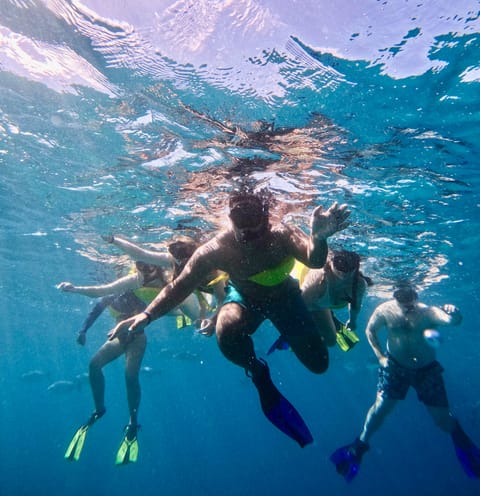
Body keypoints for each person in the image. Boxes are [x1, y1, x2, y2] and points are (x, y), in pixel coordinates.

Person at [109, 188, 350, 447]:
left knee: (319, 365)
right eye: (242, 232)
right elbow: (180, 285)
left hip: (286, 297)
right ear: (230, 222)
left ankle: (302, 323)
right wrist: (147, 314)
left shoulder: (282, 234)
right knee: (226, 330)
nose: (250, 238)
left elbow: (314, 260)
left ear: (266, 218)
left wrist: (319, 237)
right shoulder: (218, 248)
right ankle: (257, 372)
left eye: (256, 231)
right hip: (246, 297)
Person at [57, 241, 202, 464]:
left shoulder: (162, 281)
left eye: (149, 266)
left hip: (137, 335)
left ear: (156, 265)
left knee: (130, 376)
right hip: (121, 335)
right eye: (140, 267)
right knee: (94, 365)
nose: (145, 271)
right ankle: (99, 410)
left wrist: (197, 317)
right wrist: (77, 297)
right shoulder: (131, 283)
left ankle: (133, 422)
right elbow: (99, 298)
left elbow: (168, 304)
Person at [330, 286, 480, 481]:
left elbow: (452, 321)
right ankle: (360, 445)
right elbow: (370, 330)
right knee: (381, 408)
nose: (408, 304)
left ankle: (463, 443)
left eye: (411, 299)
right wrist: (380, 357)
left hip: (427, 371)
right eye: (403, 300)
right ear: (395, 297)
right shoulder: (385, 310)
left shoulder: (428, 312)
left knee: (442, 420)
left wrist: (455, 314)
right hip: (395, 366)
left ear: (416, 296)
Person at [269, 249, 372, 354]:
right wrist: (288, 333)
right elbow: (298, 310)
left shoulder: (359, 284)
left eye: (351, 262)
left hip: (319, 304)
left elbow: (355, 305)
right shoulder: (317, 283)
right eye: (340, 261)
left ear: (357, 264)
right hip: (304, 299)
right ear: (331, 261)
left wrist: (352, 321)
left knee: (331, 342)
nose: (345, 269)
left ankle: (329, 317)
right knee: (301, 329)